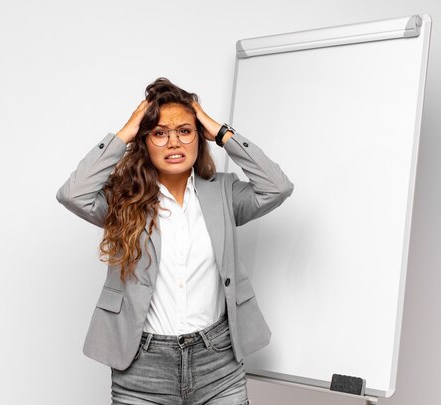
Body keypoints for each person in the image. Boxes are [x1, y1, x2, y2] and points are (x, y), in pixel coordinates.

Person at [56, 77, 293, 405]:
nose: (173, 143)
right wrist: (124, 132)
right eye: (159, 133)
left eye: (185, 130)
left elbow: (276, 187)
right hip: (142, 367)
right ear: (144, 141)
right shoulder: (124, 200)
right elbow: (73, 194)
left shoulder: (223, 193)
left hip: (219, 362)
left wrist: (221, 131)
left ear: (199, 137)